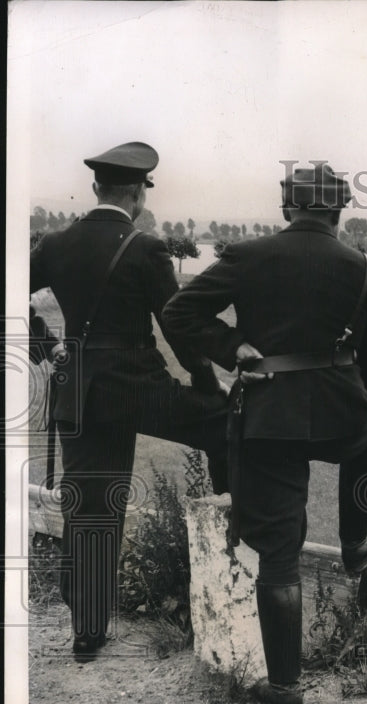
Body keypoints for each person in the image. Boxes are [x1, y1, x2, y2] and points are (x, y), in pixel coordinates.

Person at [162, 163, 367, 704]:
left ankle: (286, 689)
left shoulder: (249, 255)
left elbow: (179, 312)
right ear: (339, 210)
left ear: (289, 207)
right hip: (342, 408)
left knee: (280, 558)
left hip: (269, 413)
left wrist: (233, 345)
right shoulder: (362, 266)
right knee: (366, 444)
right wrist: (363, 404)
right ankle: (356, 541)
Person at [29, 142, 229, 662]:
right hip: (140, 390)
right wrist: (207, 384)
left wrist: (48, 347)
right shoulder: (145, 247)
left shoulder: (54, 243)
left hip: (80, 391)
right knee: (227, 423)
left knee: (90, 506)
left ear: (96, 188)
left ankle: (87, 630)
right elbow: (177, 326)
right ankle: (232, 561)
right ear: (139, 194)